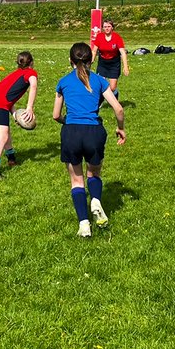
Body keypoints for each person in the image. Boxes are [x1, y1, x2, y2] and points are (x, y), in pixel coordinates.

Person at [53, 42, 126, 237]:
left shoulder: (63, 82)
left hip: (71, 132)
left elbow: (55, 115)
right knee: (94, 174)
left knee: (77, 180)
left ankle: (84, 225)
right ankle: (95, 200)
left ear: (70, 60)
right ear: (91, 59)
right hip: (94, 132)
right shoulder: (100, 81)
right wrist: (120, 129)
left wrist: (66, 121)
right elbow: (118, 109)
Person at [0, 51, 38, 179]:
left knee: (6, 132)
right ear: (32, 62)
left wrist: (14, 114)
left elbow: (7, 96)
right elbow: (33, 86)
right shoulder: (31, 73)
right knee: (1, 136)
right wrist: (29, 108)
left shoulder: (16, 74)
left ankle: (11, 158)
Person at [92, 18, 129, 96]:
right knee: (100, 85)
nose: (107, 28)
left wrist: (125, 67)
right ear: (102, 28)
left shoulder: (117, 37)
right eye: (105, 27)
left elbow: (123, 52)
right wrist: (91, 60)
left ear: (112, 27)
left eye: (109, 26)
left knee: (112, 88)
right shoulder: (99, 36)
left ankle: (115, 94)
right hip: (102, 63)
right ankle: (99, 102)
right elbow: (94, 51)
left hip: (114, 63)